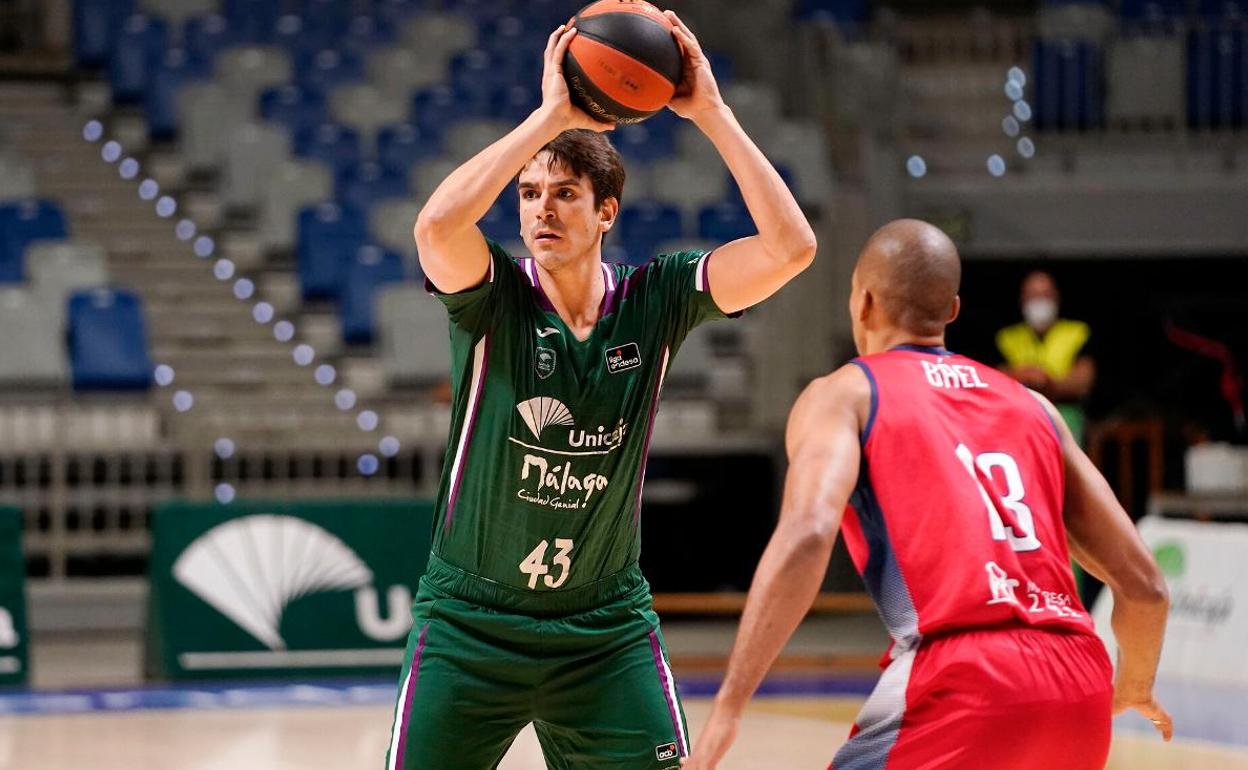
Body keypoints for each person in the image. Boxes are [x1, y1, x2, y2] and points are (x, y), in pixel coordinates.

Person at [385, 14, 816, 770]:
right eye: (527, 193)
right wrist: (550, 116)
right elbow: (434, 227)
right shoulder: (493, 296)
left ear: (606, 211)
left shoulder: (658, 299)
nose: (540, 209)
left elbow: (793, 248)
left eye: (563, 193)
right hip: (470, 624)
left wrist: (710, 112)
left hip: (604, 628)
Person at [685, 220, 1171, 770]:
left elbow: (810, 532)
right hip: (1077, 684)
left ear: (862, 302)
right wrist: (1132, 685)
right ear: (953, 311)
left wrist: (729, 704)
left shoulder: (844, 394)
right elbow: (1146, 588)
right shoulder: (1036, 408)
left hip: (964, 679)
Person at [996, 270, 1095, 443]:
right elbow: (994, 378)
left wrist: (1043, 383)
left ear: (1056, 298)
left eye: (1045, 295)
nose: (1039, 301)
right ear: (1022, 300)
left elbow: (1083, 380)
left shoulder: (1077, 332)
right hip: (1020, 420)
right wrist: (1027, 377)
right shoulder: (1006, 337)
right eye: (1032, 295)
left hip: (1067, 420)